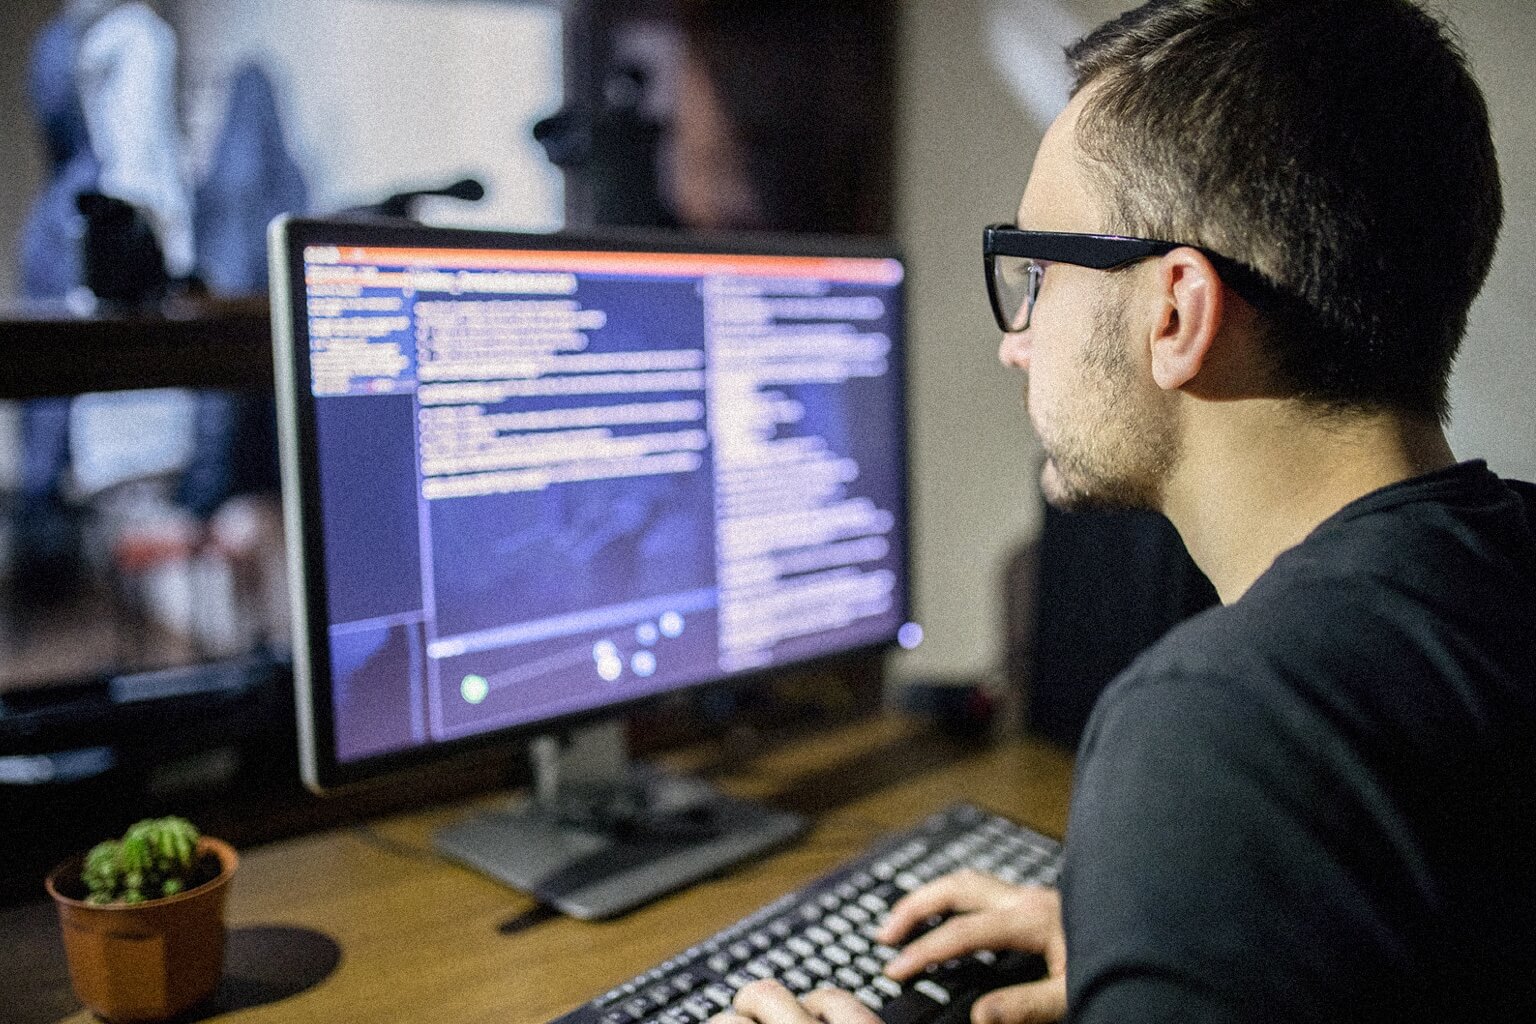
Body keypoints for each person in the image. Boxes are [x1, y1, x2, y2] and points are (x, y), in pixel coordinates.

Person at [713, 1, 1535, 1022]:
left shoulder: (1226, 726)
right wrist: (1175, 933)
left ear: (1177, 312)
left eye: (1039, 271)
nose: (1017, 339)